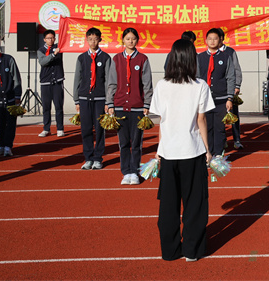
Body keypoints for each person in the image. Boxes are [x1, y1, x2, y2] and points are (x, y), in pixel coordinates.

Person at [150, 38, 214, 261]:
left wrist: (159, 149)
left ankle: (170, 251)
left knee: (168, 204)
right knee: (195, 203)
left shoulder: (162, 85)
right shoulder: (200, 85)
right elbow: (201, 120)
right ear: (191, 59)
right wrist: (208, 150)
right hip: (192, 150)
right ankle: (192, 250)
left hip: (169, 152)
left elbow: (162, 121)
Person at [106, 28, 154, 185]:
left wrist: (147, 103)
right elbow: (112, 83)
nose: (130, 41)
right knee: (123, 142)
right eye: (127, 39)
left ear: (137, 40)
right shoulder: (116, 59)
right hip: (120, 106)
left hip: (137, 107)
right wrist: (110, 103)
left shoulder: (143, 59)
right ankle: (125, 172)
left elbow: (147, 84)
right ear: (123, 40)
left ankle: (134, 171)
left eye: (133, 38)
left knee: (136, 142)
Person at [73, 28, 112, 170]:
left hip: (100, 98)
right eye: (90, 39)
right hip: (84, 98)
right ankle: (88, 158)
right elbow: (77, 78)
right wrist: (76, 99)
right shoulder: (82, 58)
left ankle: (98, 158)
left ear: (100, 39)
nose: (93, 42)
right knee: (86, 129)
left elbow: (108, 80)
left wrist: (108, 101)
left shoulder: (106, 58)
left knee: (100, 129)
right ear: (87, 40)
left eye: (95, 39)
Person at [196, 28, 236, 157]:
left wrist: (230, 98)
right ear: (206, 40)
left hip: (221, 99)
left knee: (219, 128)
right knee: (206, 127)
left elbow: (230, 77)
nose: (212, 41)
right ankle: (207, 152)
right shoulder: (200, 57)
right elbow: (196, 77)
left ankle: (218, 154)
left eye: (215, 39)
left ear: (220, 41)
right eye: (210, 39)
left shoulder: (226, 57)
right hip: (204, 99)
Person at [0, 45, 22, 157]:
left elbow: (16, 78)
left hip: (10, 98)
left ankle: (8, 147)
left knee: (10, 124)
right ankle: (1, 146)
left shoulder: (8, 59)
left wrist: (17, 95)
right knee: (0, 124)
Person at [216, 28, 244, 150]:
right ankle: (222, 141)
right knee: (218, 117)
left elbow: (237, 69)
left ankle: (237, 140)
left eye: (217, 38)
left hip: (230, 89)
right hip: (217, 91)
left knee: (233, 115)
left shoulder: (230, 51)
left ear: (222, 38)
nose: (214, 41)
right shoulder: (211, 53)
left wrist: (237, 86)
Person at [37, 29, 65, 137]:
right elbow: (43, 62)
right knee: (46, 107)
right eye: (48, 38)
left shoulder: (59, 47)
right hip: (45, 82)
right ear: (44, 39)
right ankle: (46, 128)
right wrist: (53, 54)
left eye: (53, 38)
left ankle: (60, 128)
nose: (51, 40)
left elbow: (66, 40)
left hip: (57, 81)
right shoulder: (41, 50)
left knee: (58, 106)